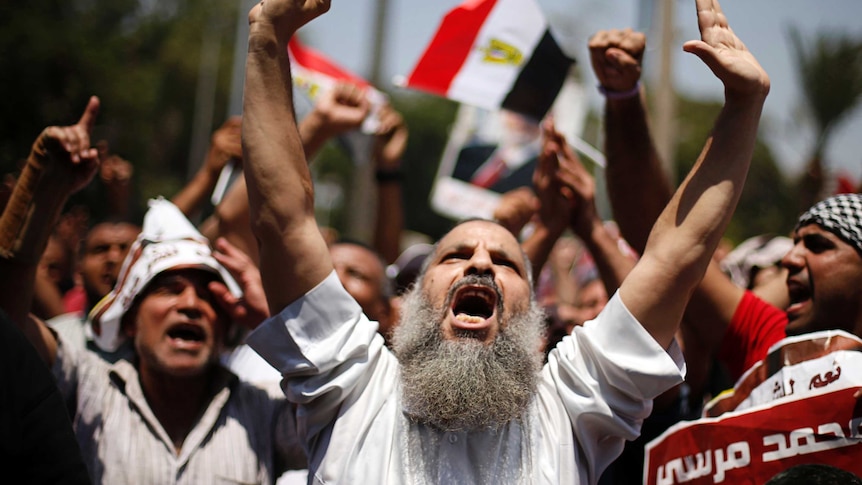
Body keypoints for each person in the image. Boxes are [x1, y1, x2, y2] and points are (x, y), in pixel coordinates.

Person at [240, 0, 768, 483]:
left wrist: (742, 107)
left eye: (506, 262)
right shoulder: (352, 382)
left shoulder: (572, 405)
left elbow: (676, 256)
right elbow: (283, 219)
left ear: (538, 322)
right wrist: (268, 39)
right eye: (456, 255)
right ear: (408, 304)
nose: (482, 264)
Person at [0, 98, 306, 484]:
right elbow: (8, 325)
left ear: (228, 326)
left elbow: (341, 418)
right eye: (169, 290)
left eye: (210, 295)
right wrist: (41, 193)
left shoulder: (266, 412)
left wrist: (278, 327)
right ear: (129, 321)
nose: (191, 305)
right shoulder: (86, 388)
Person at [592, 25, 862, 385]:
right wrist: (623, 97)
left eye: (819, 245)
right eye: (796, 243)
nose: (791, 259)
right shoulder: (772, 346)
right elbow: (662, 240)